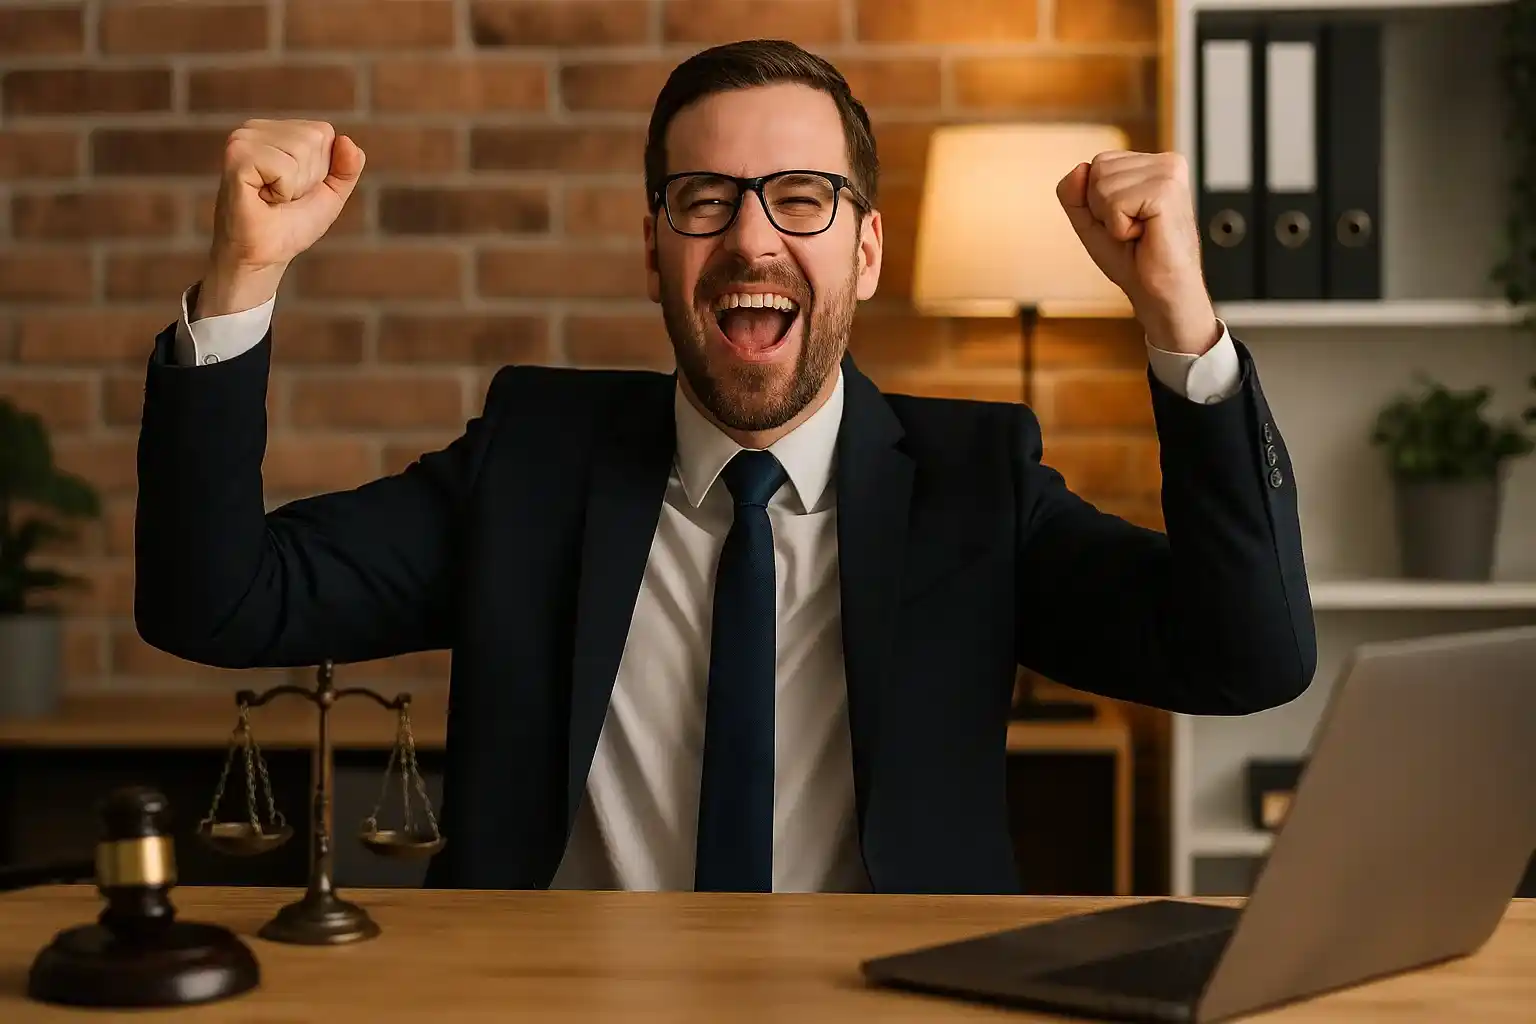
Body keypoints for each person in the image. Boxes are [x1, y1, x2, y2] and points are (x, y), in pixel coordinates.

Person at [134, 39, 1316, 896]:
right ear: (653, 250)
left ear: (866, 251)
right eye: (705, 200)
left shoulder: (975, 483)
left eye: (802, 198)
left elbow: (1250, 656)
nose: (753, 239)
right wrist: (243, 278)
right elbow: (218, 601)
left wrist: (1180, 316)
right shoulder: (532, 461)